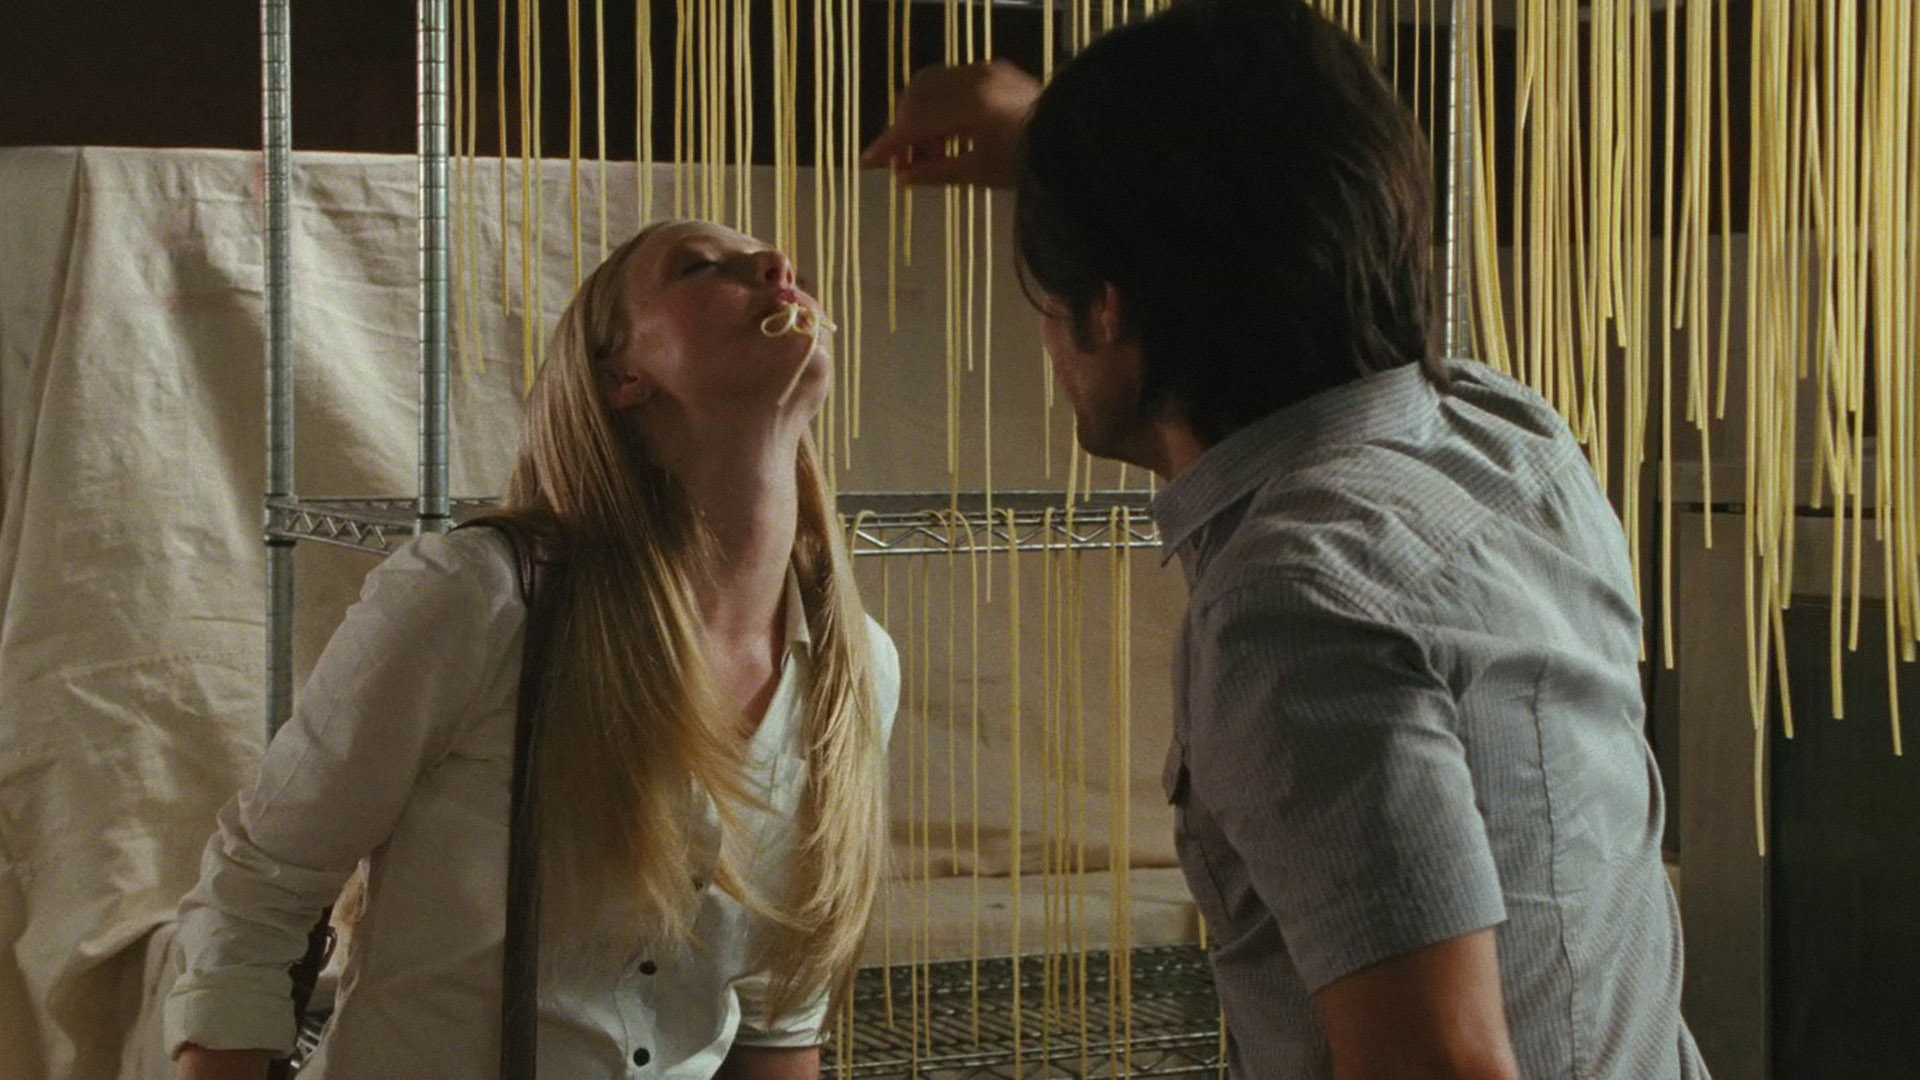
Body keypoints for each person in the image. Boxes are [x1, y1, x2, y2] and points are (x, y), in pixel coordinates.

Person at [865, 2, 1705, 1078]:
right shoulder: (1504, 434)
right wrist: (1059, 149)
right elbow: (1271, 192)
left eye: (1047, 295)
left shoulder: (1294, 601)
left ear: (1108, 311)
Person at [165, 220, 900, 1080]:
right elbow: (259, 892)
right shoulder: (481, 598)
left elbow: (779, 1015)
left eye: (783, 266)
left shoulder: (852, 670)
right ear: (621, 376)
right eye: (702, 267)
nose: (779, 268)